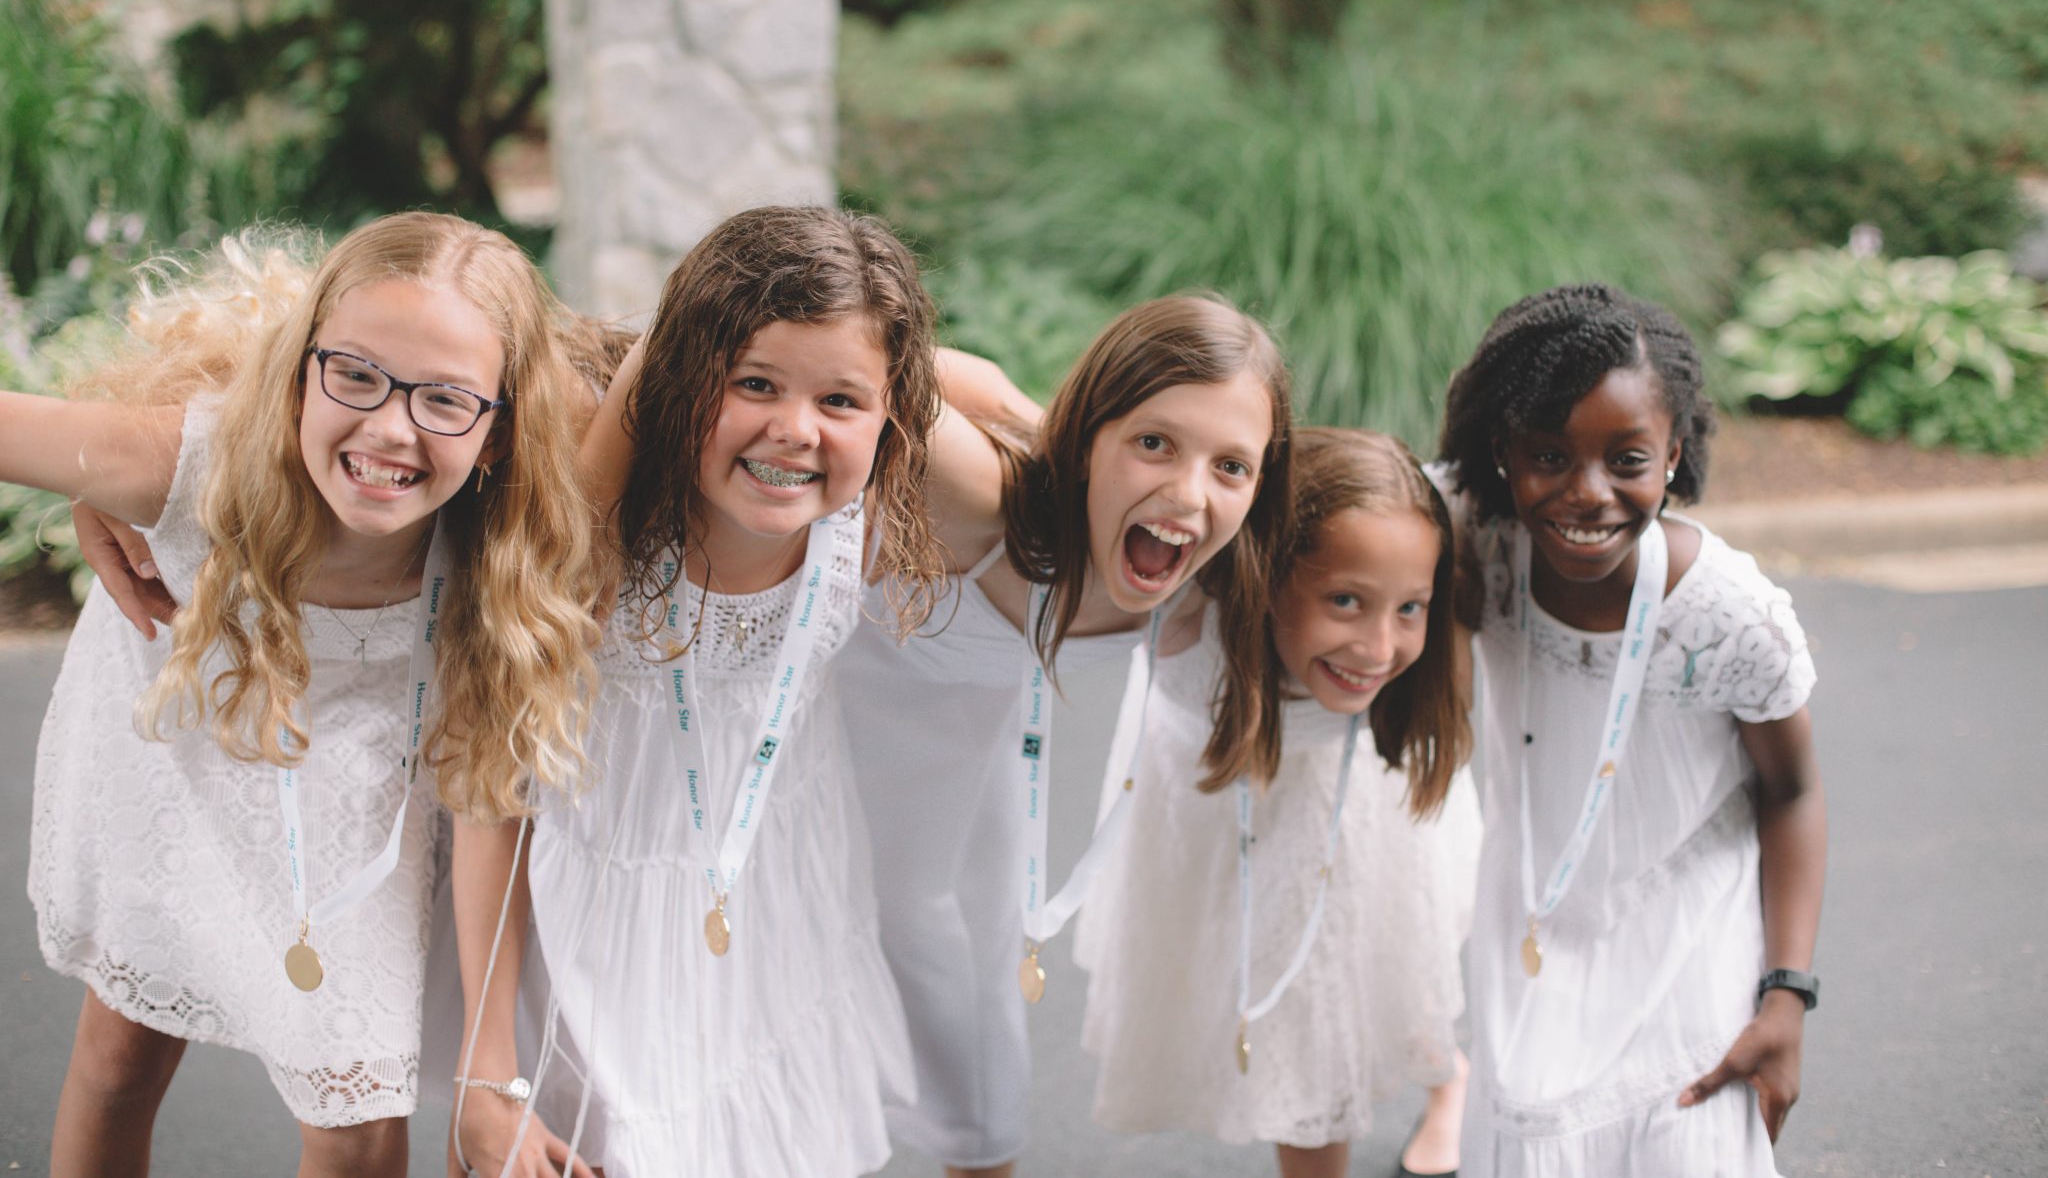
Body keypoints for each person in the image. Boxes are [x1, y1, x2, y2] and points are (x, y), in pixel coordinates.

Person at [9, 213, 605, 1178]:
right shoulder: (180, 463)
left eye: (446, 399)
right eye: (356, 376)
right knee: (121, 1058)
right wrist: (94, 484)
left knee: (355, 1120)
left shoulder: (506, 537)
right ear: (297, 374)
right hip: (182, 721)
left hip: (363, 786)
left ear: (500, 430)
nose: (392, 428)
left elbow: (488, 789)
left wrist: (489, 1072)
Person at [450, 206, 948, 1178]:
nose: (794, 430)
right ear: (678, 379)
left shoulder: (866, 514)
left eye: (839, 400)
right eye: (753, 383)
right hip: (604, 933)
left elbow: (993, 437)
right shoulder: (599, 545)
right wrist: (486, 1069)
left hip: (780, 923)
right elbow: (488, 780)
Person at [834, 295, 1295, 1177]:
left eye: (1232, 465)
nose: (1188, 493)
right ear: (1089, 438)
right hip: (810, 760)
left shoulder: (1206, 590)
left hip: (962, 791)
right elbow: (855, 361)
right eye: (1153, 441)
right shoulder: (978, 493)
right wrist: (1026, 414)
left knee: (972, 990)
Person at [1435, 283, 1826, 1177]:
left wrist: (1787, 994)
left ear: (1673, 454)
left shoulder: (1729, 614)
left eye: (1628, 459)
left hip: (1693, 941)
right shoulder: (1478, 543)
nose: (1588, 493)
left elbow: (1793, 789)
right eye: (1549, 455)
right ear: (1501, 452)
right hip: (1533, 929)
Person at [1077, 427, 1481, 1178]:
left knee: (1336, 1010)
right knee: (1218, 981)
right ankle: (1447, 1070)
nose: (1378, 648)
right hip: (1200, 824)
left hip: (1346, 819)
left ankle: (1447, 1078)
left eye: (1409, 608)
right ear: (1266, 572)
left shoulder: (1404, 640)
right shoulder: (1186, 610)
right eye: (1345, 600)